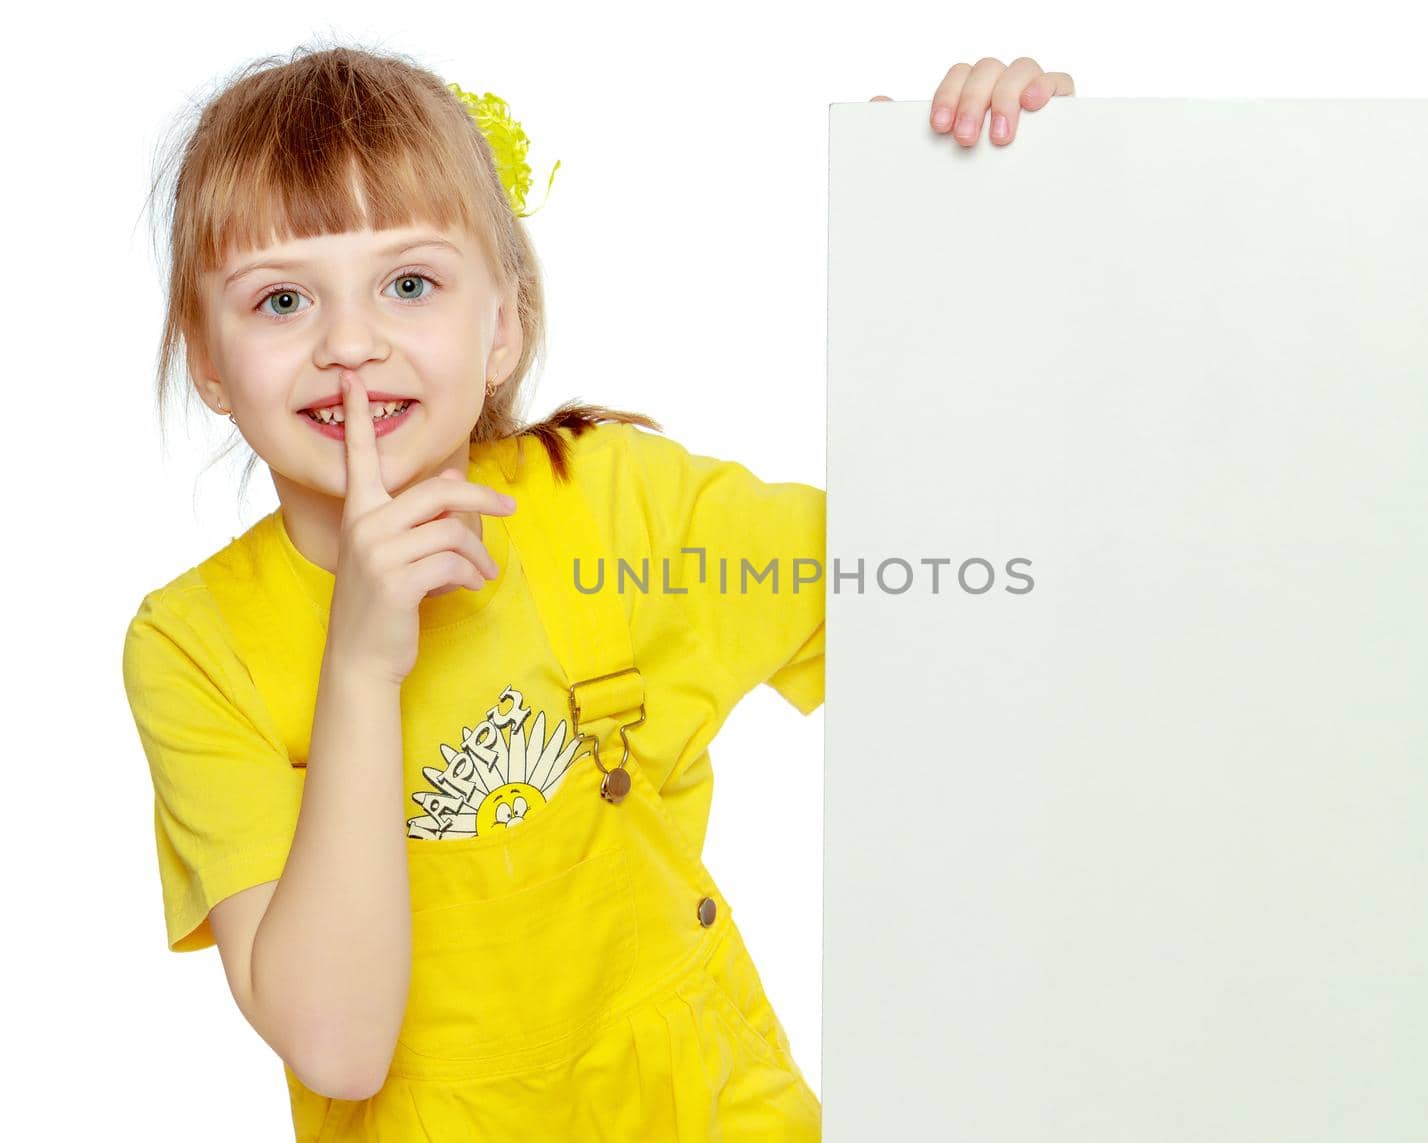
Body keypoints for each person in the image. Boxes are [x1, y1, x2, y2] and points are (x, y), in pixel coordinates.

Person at [120, 39, 1072, 1142]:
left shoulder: (619, 507)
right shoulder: (193, 649)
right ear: (205, 358)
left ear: (505, 324)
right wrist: (362, 664)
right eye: (281, 300)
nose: (349, 344)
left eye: (410, 282)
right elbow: (340, 1043)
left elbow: (978, 581)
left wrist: (986, 230)